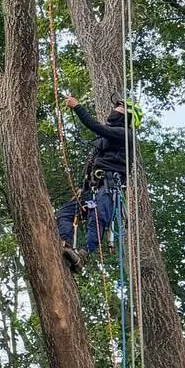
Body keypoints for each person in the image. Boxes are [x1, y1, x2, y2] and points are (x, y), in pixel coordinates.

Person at [55, 94, 135, 271]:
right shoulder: (106, 139)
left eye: (119, 108)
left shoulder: (125, 134)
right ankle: (66, 245)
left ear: (127, 116)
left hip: (108, 186)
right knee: (64, 212)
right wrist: (80, 187)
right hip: (91, 187)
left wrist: (77, 107)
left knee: (97, 217)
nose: (115, 110)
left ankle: (82, 255)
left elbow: (96, 126)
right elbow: (91, 163)